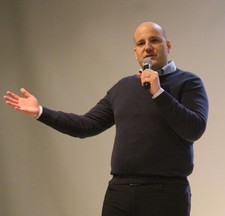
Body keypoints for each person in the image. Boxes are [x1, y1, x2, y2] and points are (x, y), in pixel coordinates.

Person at [3, 22, 209, 216]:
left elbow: (194, 129)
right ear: (135, 52)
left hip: (166, 193)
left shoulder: (189, 82)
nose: (148, 47)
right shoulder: (122, 87)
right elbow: (85, 126)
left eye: (154, 40)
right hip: (120, 192)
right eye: (141, 43)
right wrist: (40, 111)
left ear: (168, 45)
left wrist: (159, 93)